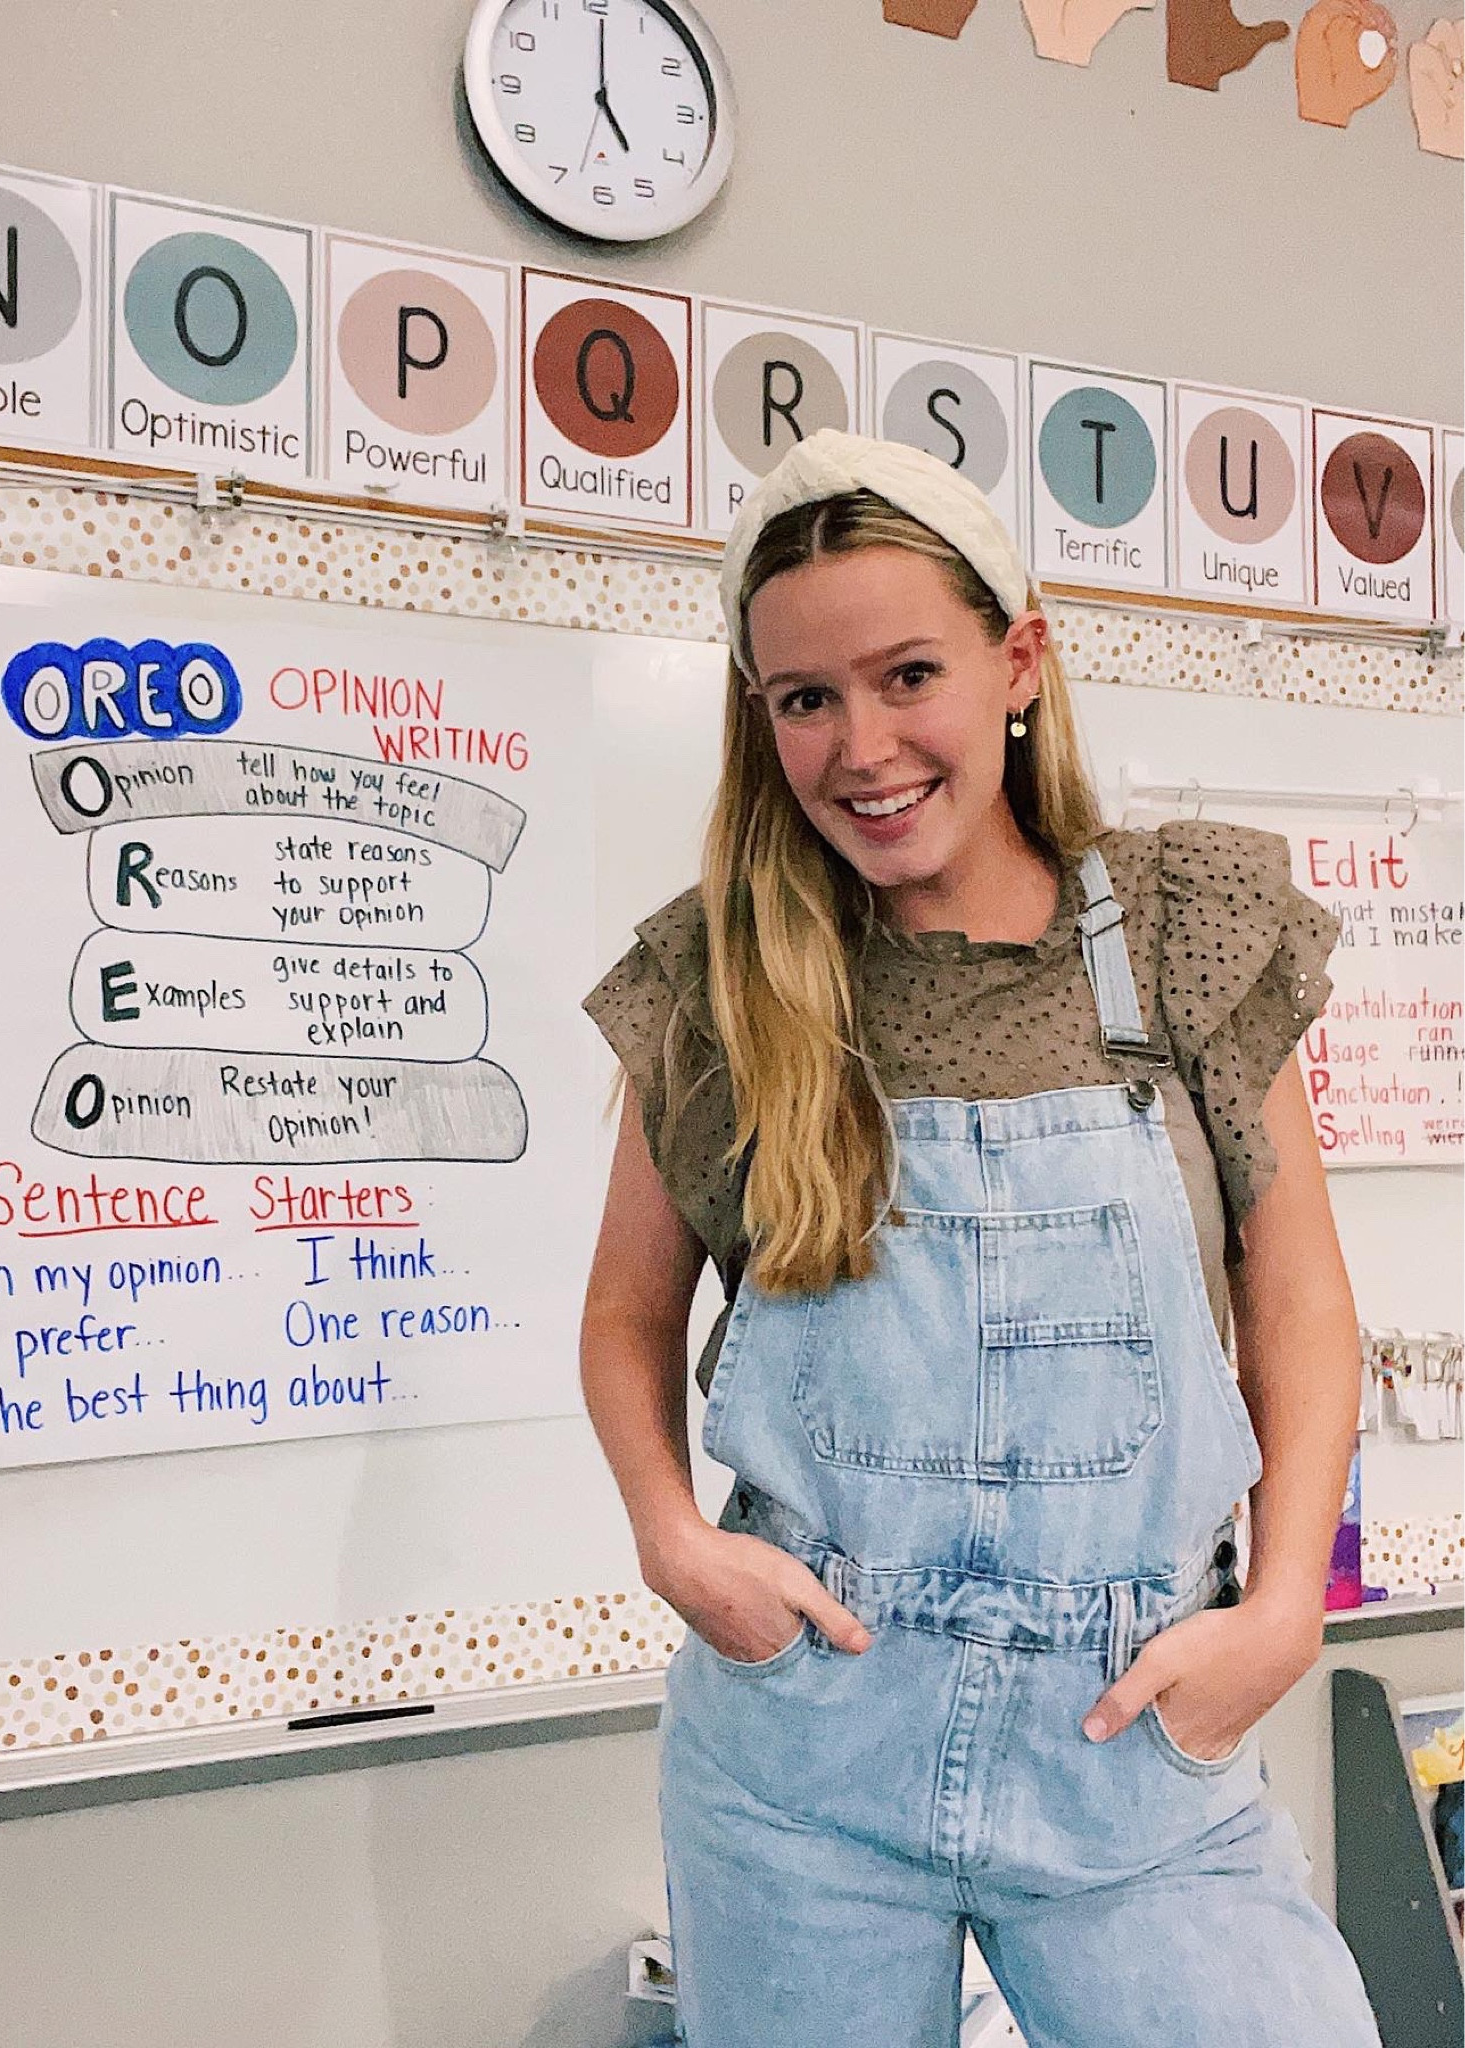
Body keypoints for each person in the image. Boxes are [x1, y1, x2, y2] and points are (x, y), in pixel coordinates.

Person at [579, 430, 1379, 2046]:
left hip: (1130, 1736)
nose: (862, 746)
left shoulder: (1185, 933)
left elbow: (1297, 1303)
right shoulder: (728, 980)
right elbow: (626, 1315)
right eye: (806, 698)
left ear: (1018, 662)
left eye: (908, 676)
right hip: (804, 1755)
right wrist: (673, 1541)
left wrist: (1285, 1606)